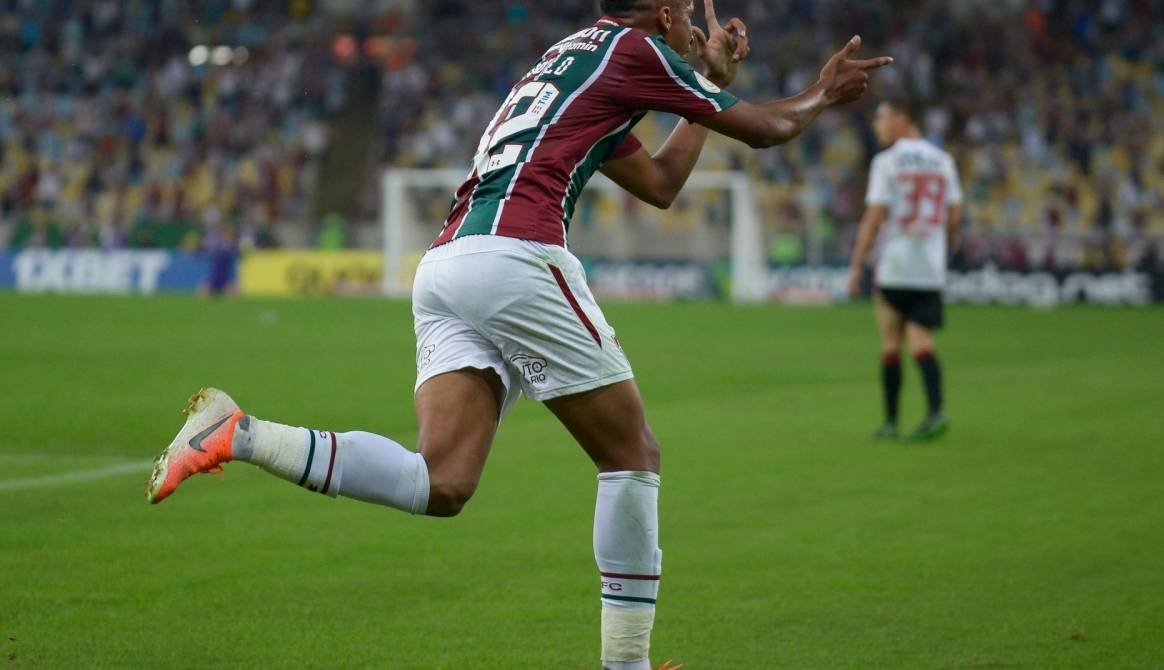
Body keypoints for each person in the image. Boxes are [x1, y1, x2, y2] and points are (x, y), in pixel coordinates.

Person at [146, 2, 891, 667]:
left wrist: (700, 90)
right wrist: (822, 90)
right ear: (663, 16)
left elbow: (661, 186)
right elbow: (768, 129)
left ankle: (239, 433)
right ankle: (627, 666)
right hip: (516, 257)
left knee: (442, 482)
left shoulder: (572, 61)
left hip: (447, 266)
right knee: (632, 455)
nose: (698, 28)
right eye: (689, 16)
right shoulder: (634, 51)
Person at [847, 98, 962, 441]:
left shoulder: (886, 162)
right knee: (922, 342)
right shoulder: (943, 161)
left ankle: (890, 422)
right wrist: (943, 250)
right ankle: (936, 412)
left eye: (881, 118)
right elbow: (955, 216)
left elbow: (874, 217)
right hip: (929, 267)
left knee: (890, 343)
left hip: (894, 265)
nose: (876, 125)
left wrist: (856, 264)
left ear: (902, 118)